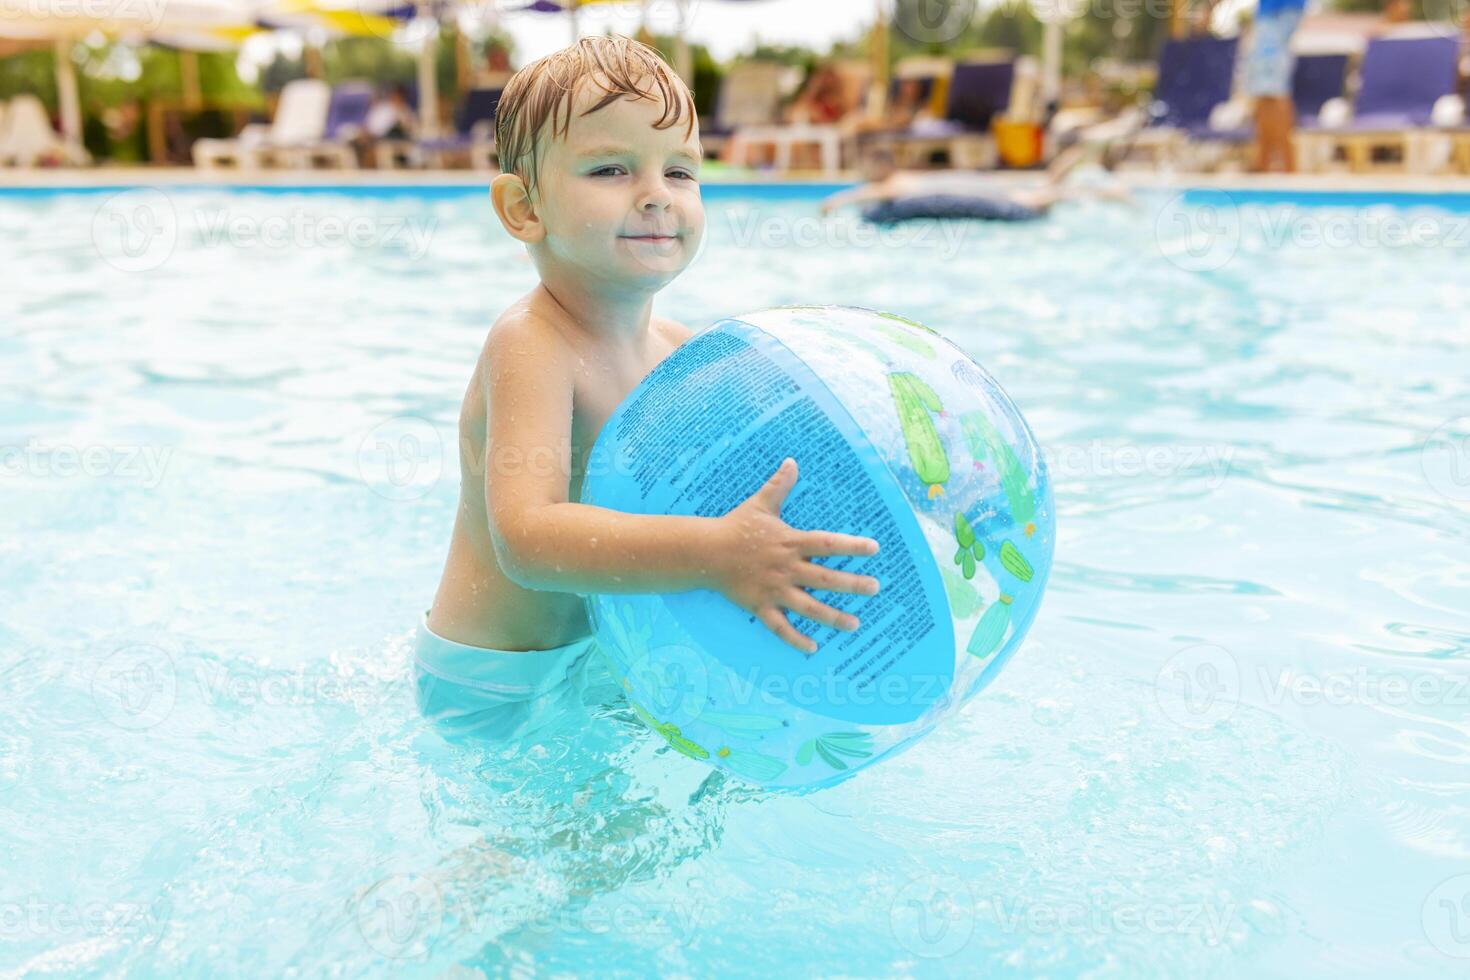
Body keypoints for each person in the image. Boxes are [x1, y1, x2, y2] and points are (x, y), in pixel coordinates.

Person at [418, 36, 882, 740]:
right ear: (522, 208)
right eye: (610, 168)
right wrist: (716, 553)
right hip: (498, 684)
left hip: (605, 657)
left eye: (682, 171)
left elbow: (758, 482)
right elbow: (527, 538)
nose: (656, 196)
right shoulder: (533, 343)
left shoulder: (686, 354)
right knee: (531, 848)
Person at [819, 142, 1131, 220]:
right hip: (981, 188)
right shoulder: (907, 176)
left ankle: (1107, 192)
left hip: (982, 195)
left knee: (1043, 198)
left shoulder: (895, 184)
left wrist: (836, 201)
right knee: (1042, 191)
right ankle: (1080, 164)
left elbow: (878, 191)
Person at [1244, 0, 1309, 173]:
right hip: (1274, 13)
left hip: (1276, 13)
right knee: (1265, 93)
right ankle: (1264, 162)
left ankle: (1287, 165)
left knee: (1273, 92)